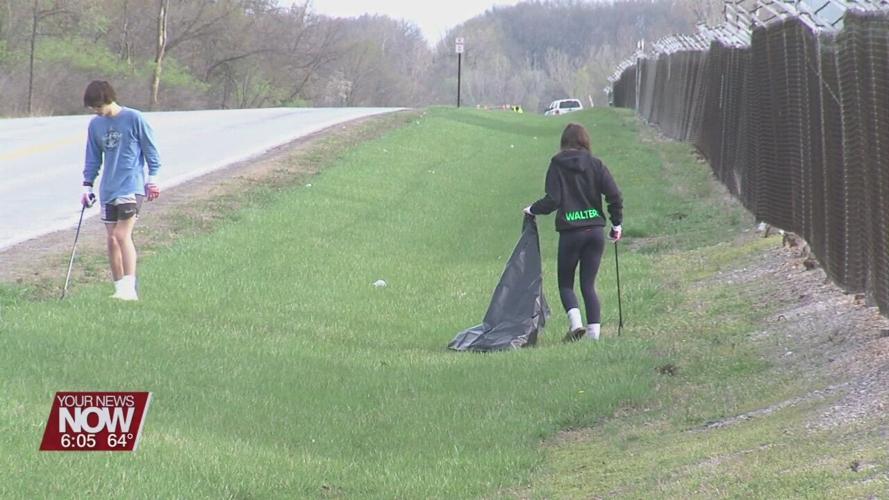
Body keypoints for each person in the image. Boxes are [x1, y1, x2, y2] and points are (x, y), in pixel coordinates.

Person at [524, 123, 623, 341]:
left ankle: (576, 324)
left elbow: (553, 200)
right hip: (595, 231)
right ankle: (594, 337)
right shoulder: (596, 165)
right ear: (585, 141)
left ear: (564, 142)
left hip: (571, 234)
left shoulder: (557, 164)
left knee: (566, 284)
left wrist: (532, 209)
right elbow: (614, 195)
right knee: (588, 284)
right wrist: (616, 225)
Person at [80, 80, 161, 301]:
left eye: (98, 106)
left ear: (108, 99)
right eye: (93, 108)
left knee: (121, 234)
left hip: (131, 186)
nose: (97, 112)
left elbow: (151, 152)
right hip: (108, 188)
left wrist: (153, 179)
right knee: (111, 240)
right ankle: (118, 288)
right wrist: (87, 185)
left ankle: (130, 288)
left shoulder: (134, 118)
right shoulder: (95, 125)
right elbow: (93, 157)